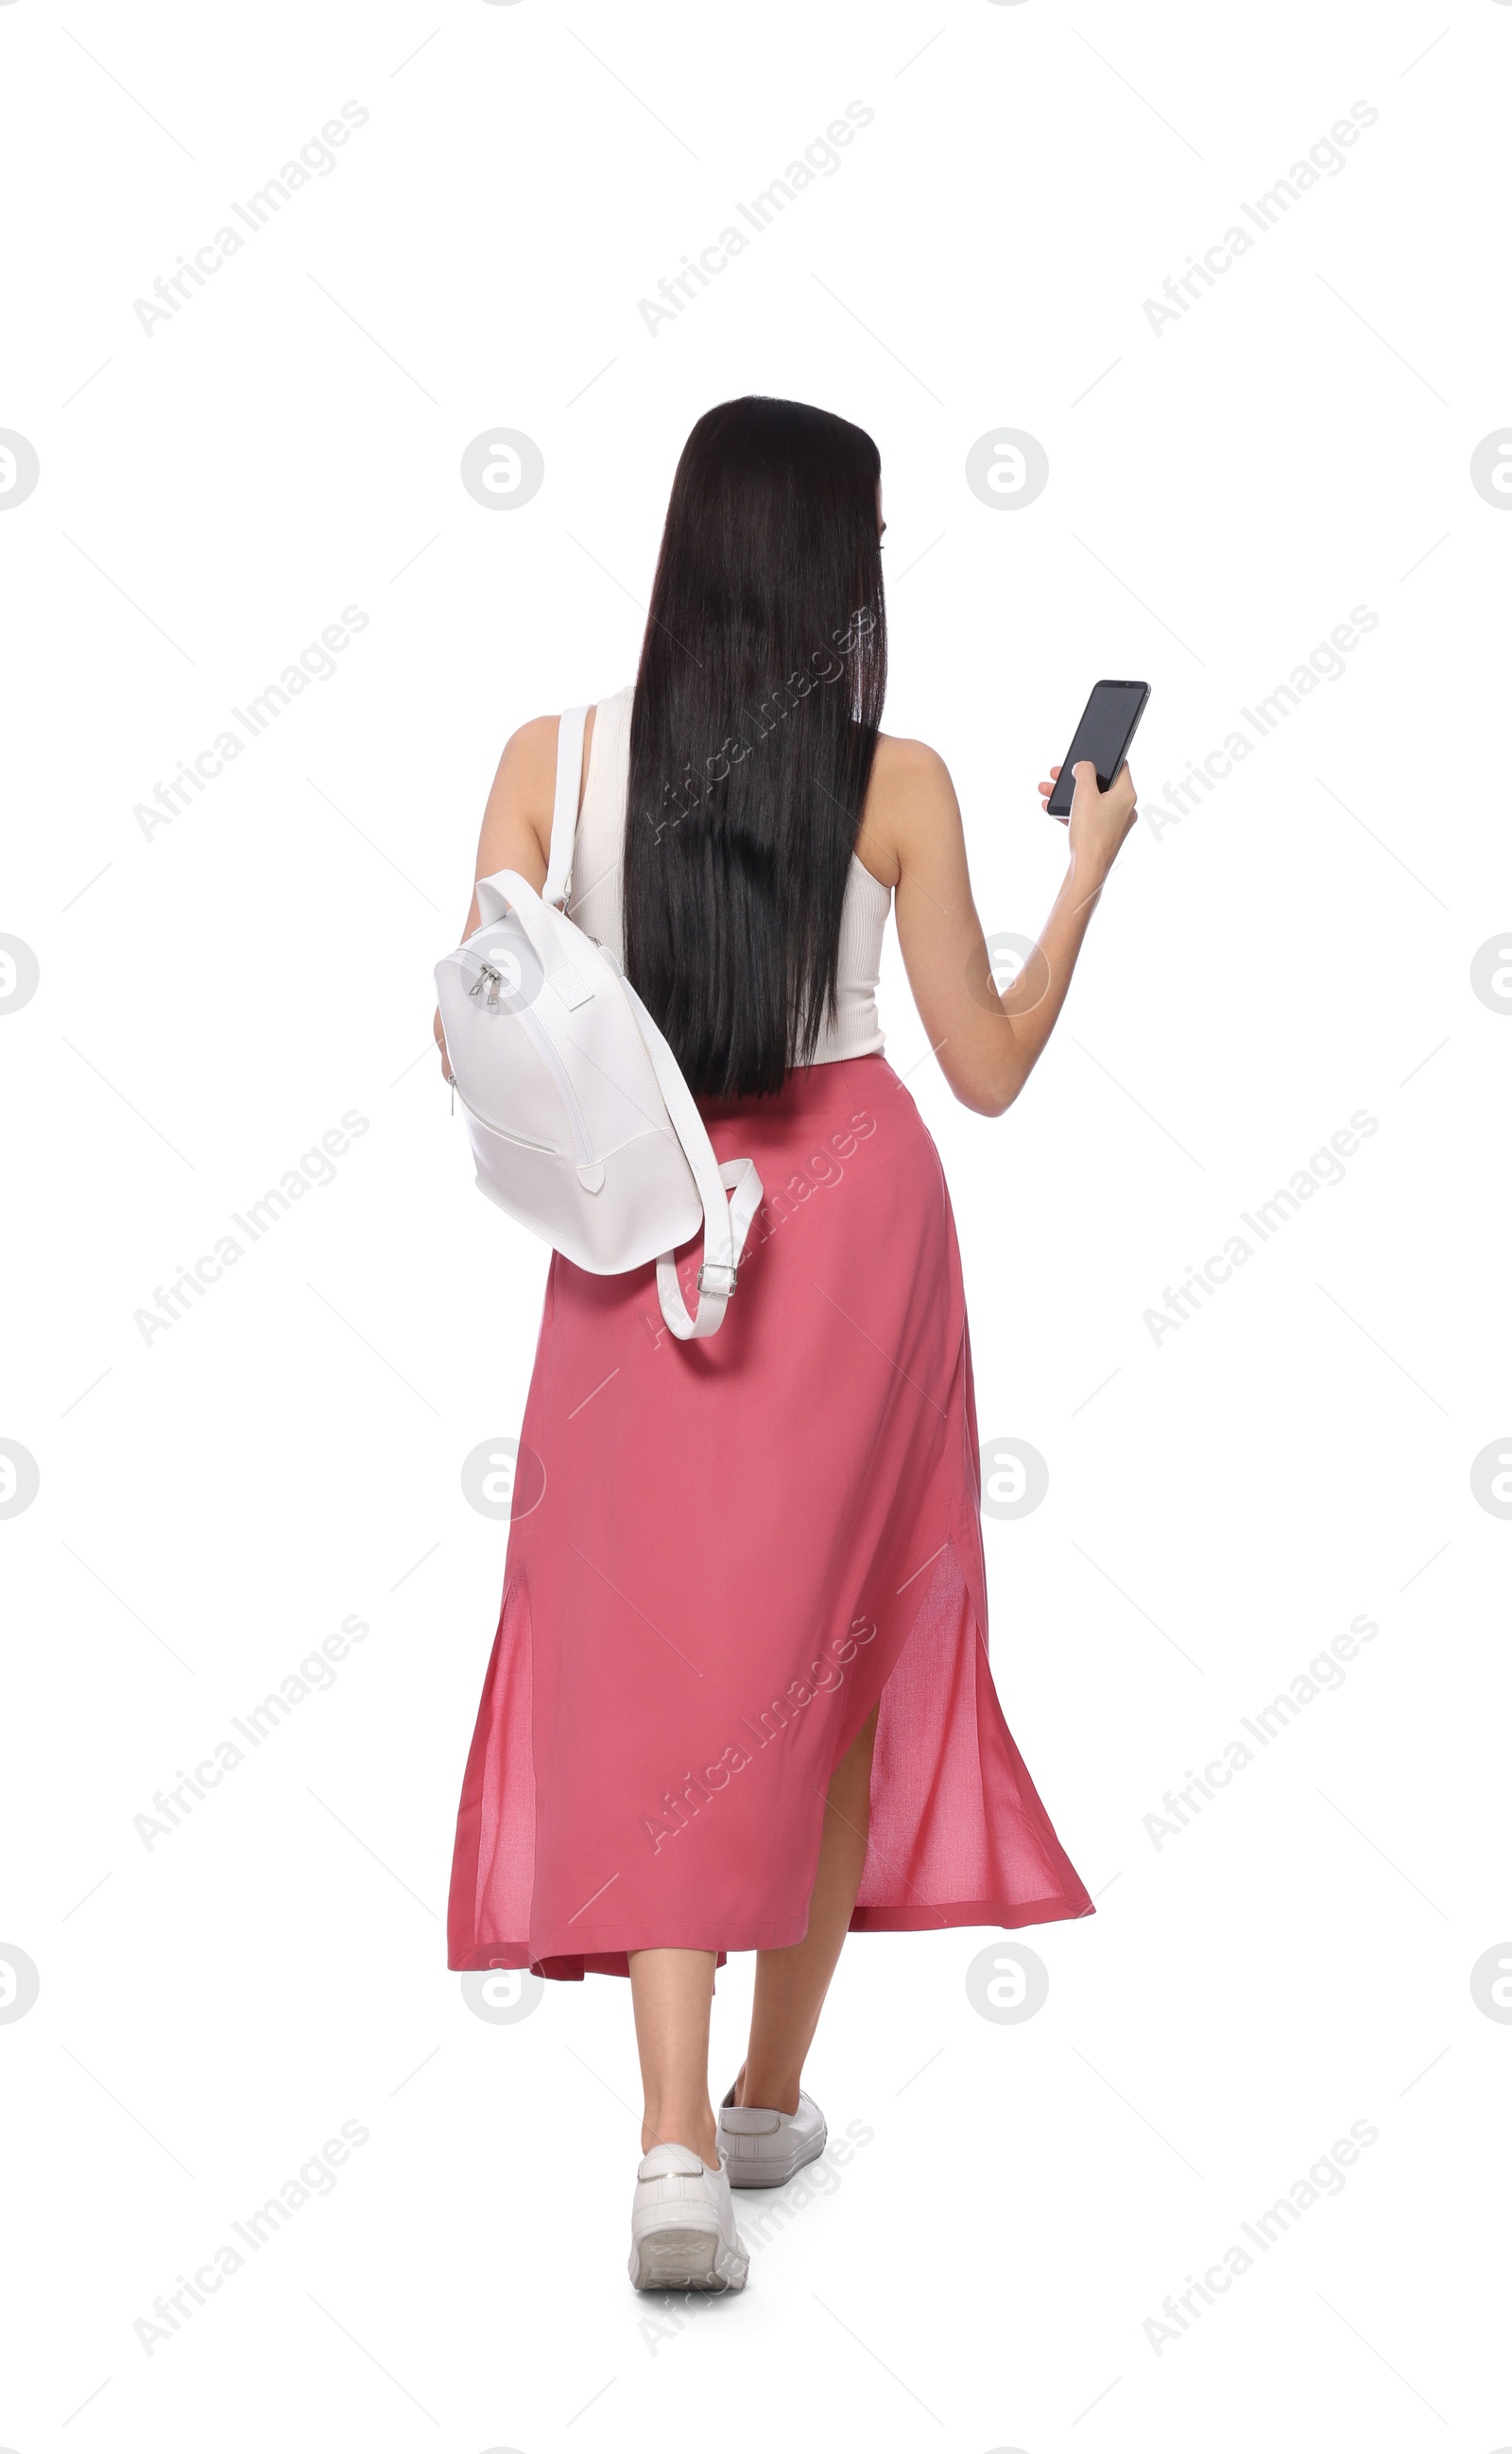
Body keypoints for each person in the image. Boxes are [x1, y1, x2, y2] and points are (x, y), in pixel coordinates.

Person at [437, 395, 1139, 2293]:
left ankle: (666, 2147)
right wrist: (1085, 863)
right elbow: (981, 1067)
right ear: (831, 569)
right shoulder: (892, 780)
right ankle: (760, 2095)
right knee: (828, 1661)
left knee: (659, 1669)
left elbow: (465, 1037)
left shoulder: (540, 760)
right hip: (851, 1232)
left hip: (636, 1238)